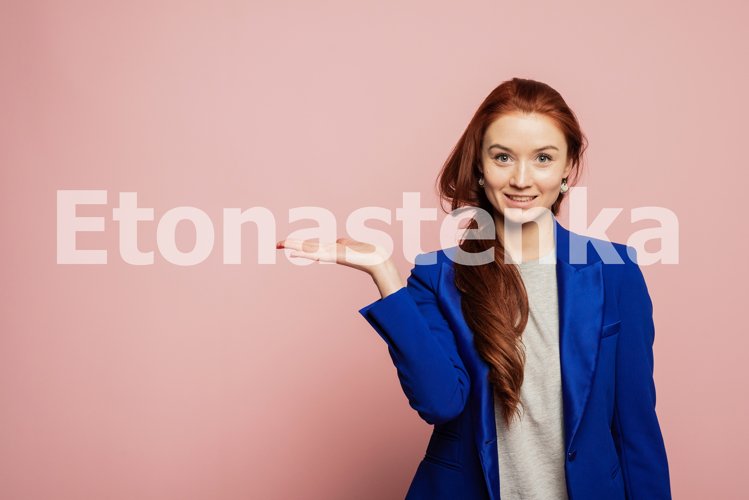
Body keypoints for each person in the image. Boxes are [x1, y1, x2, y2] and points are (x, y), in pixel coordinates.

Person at [277, 77, 671, 499]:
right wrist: (384, 273)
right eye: (503, 157)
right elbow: (440, 403)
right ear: (480, 167)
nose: (521, 179)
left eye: (542, 158)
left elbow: (636, 431)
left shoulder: (615, 273)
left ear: (567, 169)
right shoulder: (437, 277)